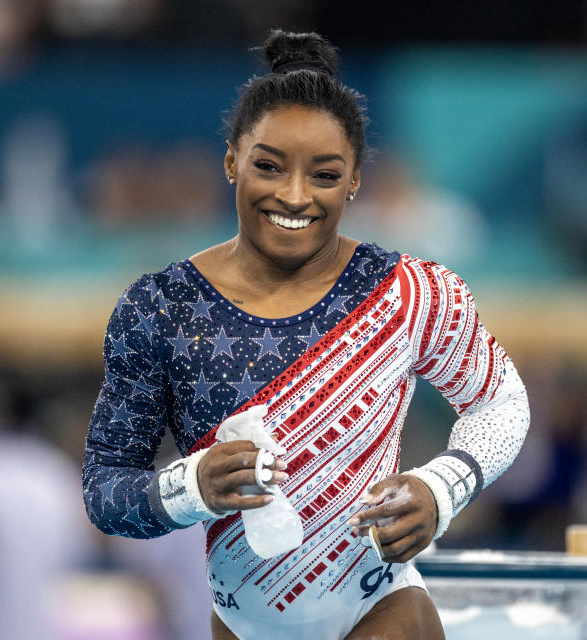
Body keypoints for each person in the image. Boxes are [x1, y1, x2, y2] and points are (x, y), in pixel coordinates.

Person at [83, 30, 530, 640]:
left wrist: (439, 488)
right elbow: (106, 490)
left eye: (324, 174)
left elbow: (501, 400)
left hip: (383, 610)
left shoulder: (408, 292)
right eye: (268, 166)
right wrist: (193, 486)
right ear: (232, 159)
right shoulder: (162, 308)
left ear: (353, 182)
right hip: (244, 626)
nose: (294, 195)